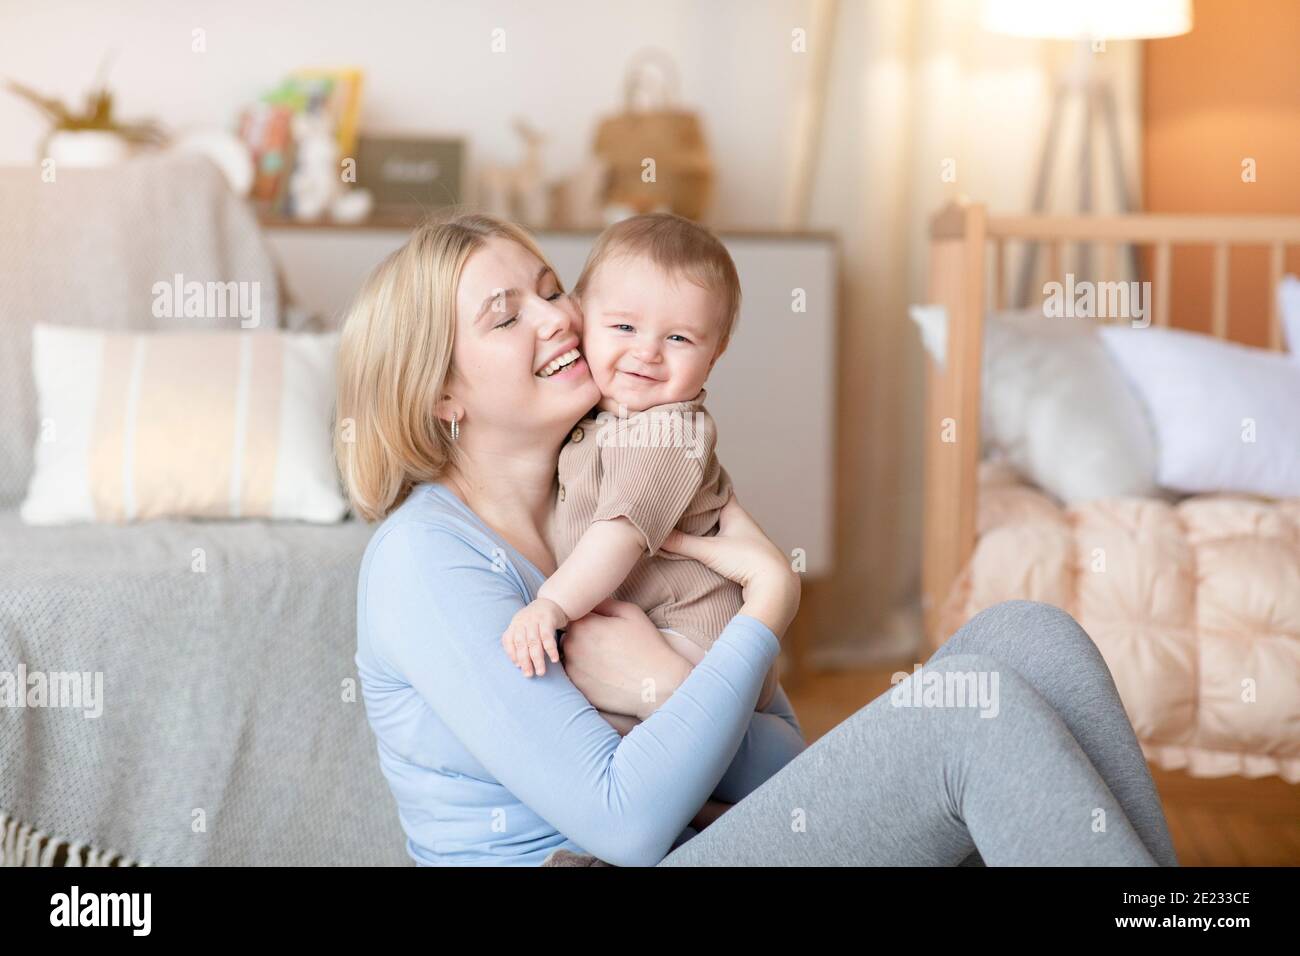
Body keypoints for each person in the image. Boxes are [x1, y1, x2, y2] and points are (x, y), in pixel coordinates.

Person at [335, 211, 1179, 867]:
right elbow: (623, 822)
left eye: (553, 288)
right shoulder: (428, 560)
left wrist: (676, 678)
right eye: (504, 316)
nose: (555, 318)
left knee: (1033, 639)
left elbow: (778, 760)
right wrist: (766, 604)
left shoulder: (607, 487)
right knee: (972, 725)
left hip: (699, 837)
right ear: (441, 392)